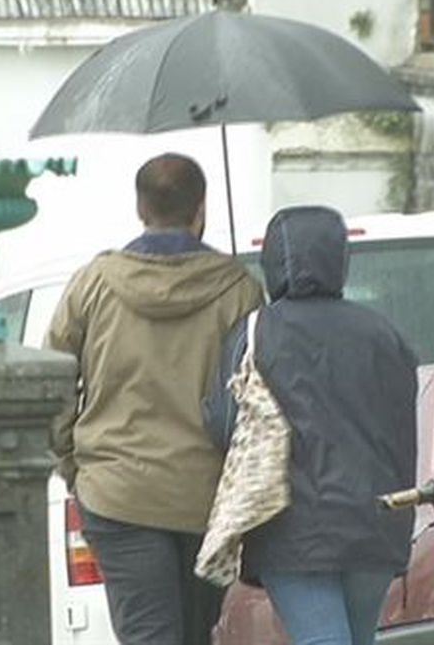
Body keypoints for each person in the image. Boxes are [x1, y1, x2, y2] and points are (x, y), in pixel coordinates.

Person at [45, 152, 263, 645]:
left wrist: (72, 463)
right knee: (196, 634)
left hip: (117, 490)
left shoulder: (93, 284)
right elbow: (258, 398)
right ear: (200, 208)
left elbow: (52, 380)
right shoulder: (239, 290)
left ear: (140, 208)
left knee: (148, 634)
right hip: (208, 496)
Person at [203, 205, 419, 645]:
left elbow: (227, 424)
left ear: (272, 265)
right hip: (376, 523)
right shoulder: (383, 332)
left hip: (292, 531)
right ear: (340, 259)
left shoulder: (256, 331)